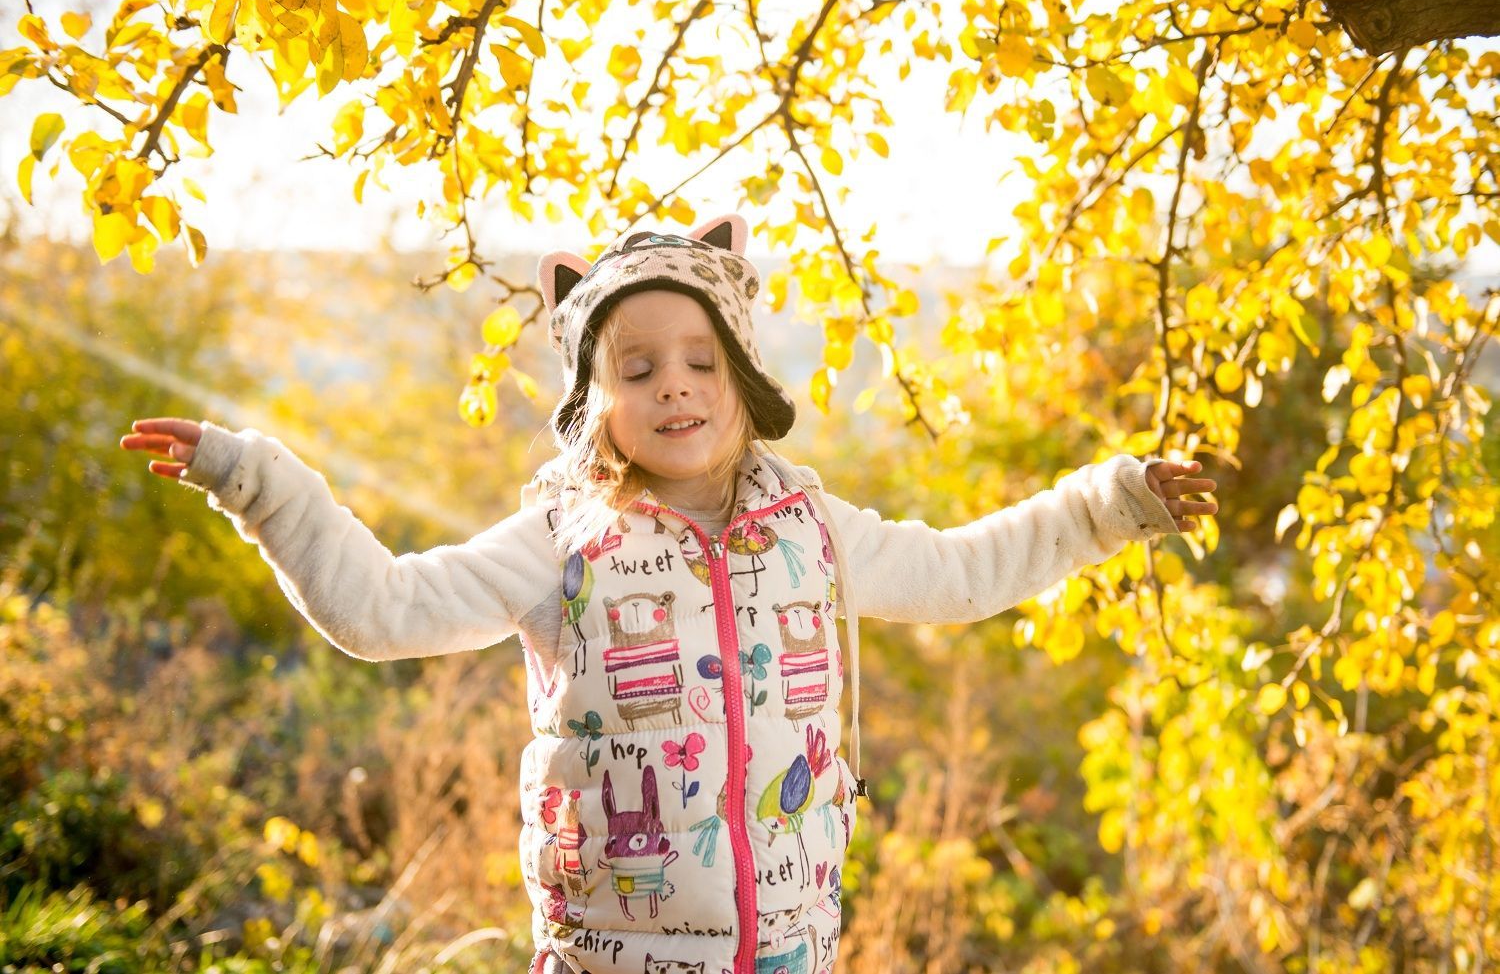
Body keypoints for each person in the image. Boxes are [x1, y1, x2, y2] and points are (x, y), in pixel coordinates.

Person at [120, 213, 1218, 974]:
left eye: (700, 359)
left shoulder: (813, 530)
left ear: (742, 379)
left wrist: (1112, 502)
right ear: (595, 404)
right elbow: (384, 609)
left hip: (787, 947)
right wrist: (255, 477)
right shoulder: (560, 537)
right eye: (637, 369)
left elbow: (969, 571)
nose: (674, 383)